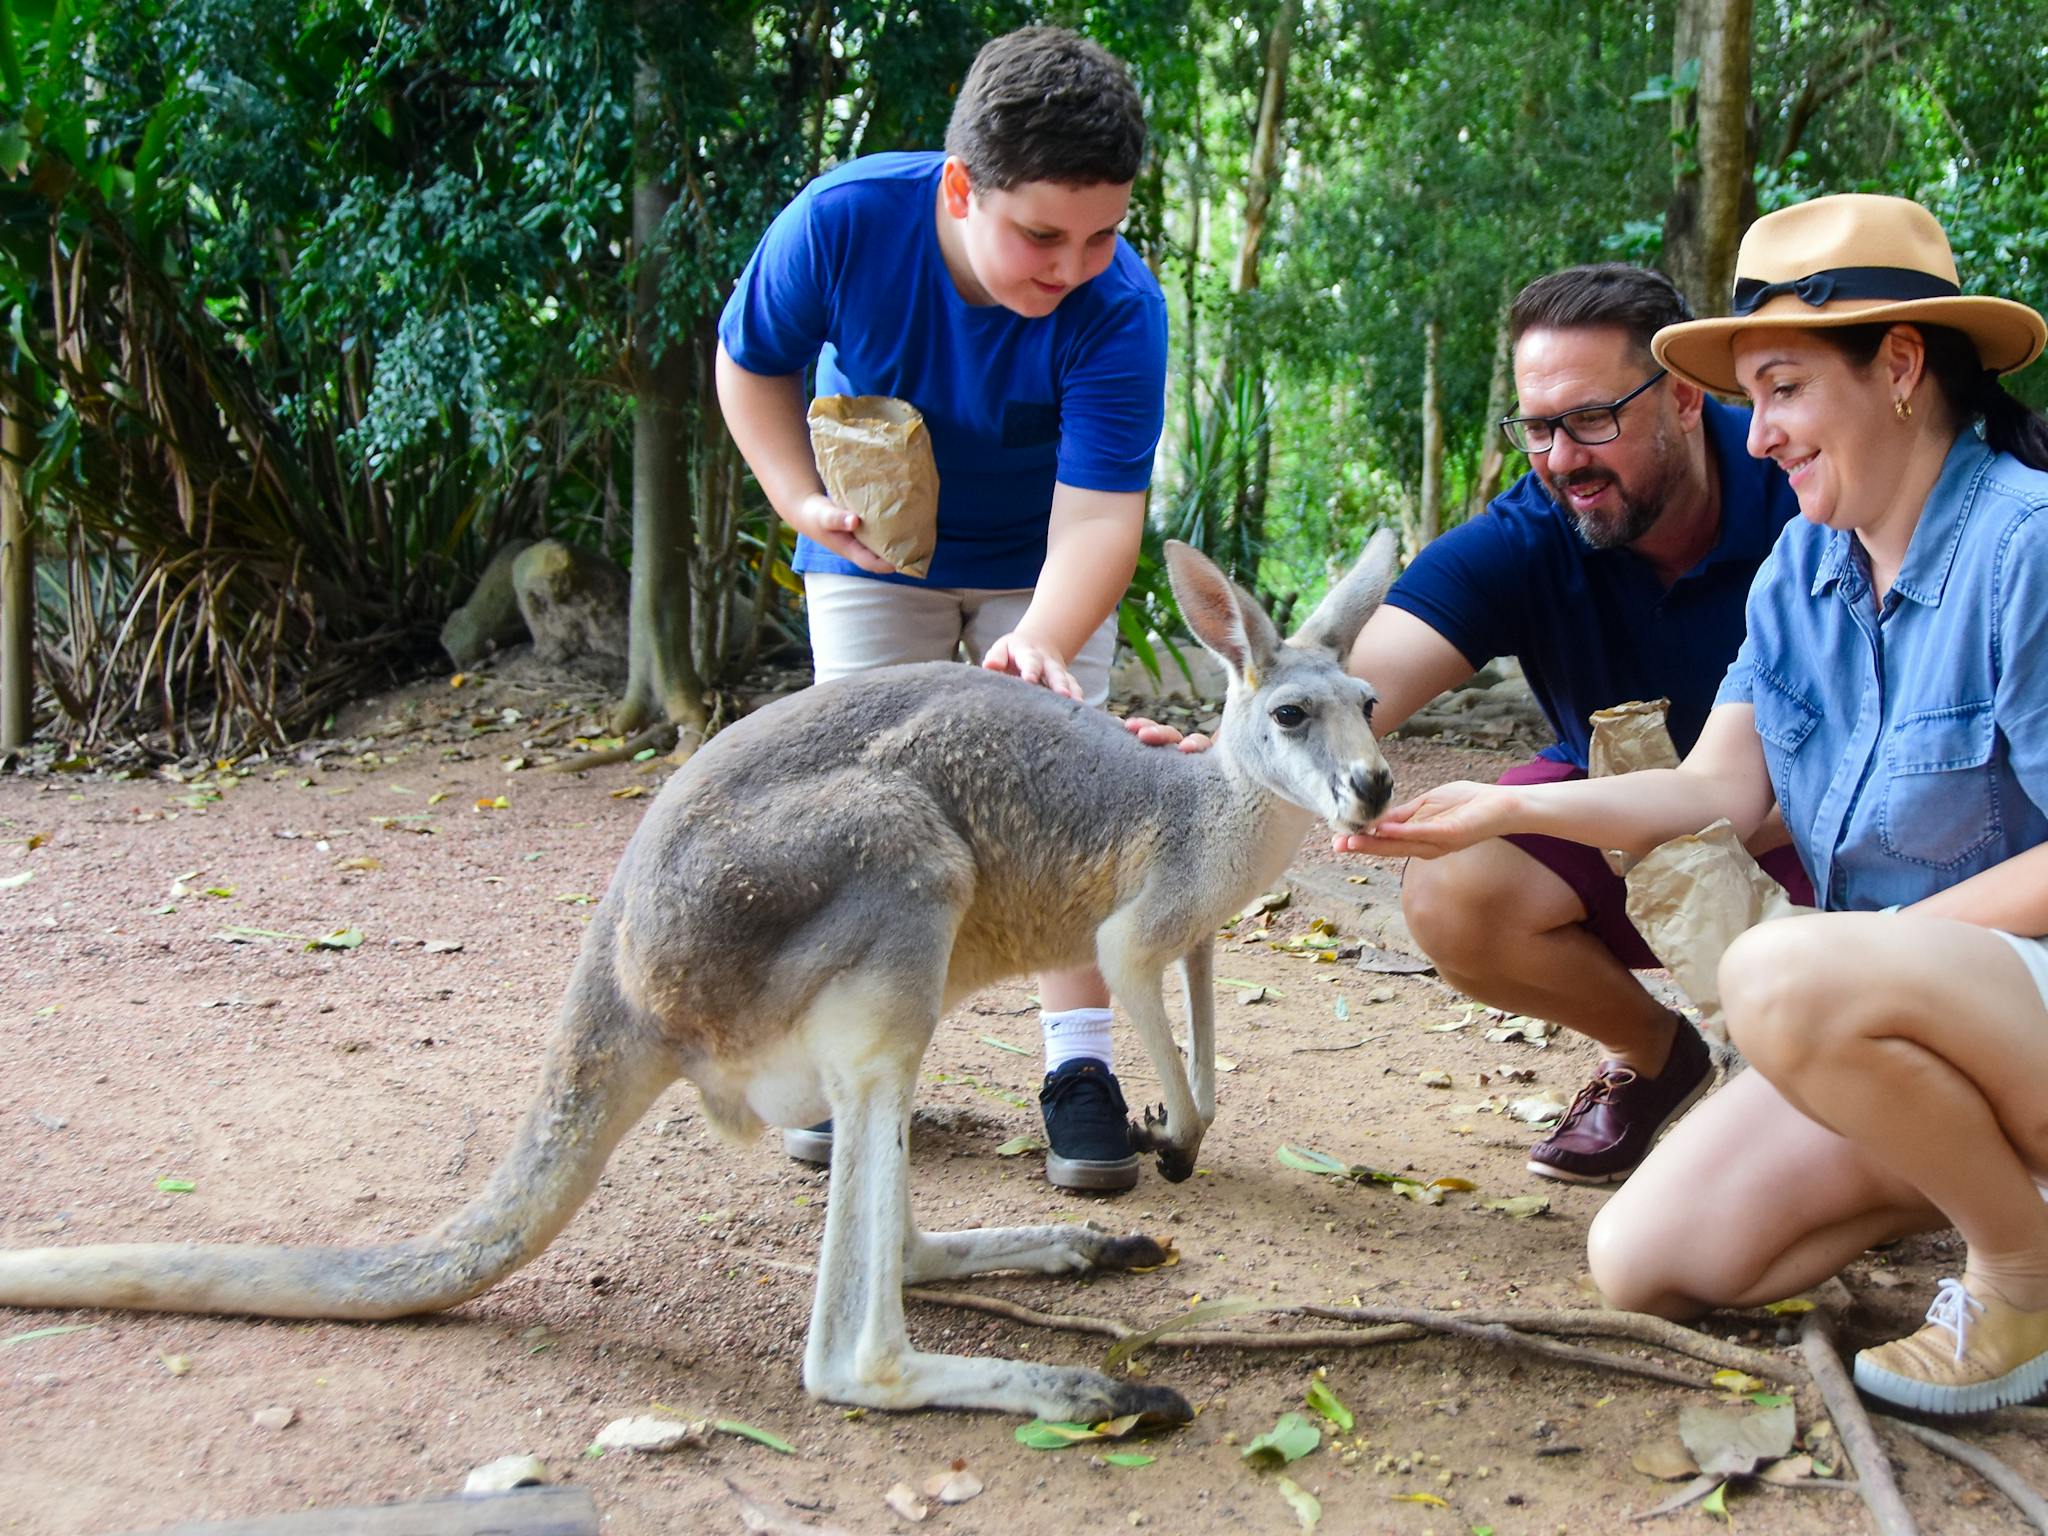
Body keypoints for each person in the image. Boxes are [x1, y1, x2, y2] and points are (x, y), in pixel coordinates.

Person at [1353, 192, 2048, 1415]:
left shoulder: (2024, 546)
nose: (1761, 433)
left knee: (1777, 976)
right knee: (1646, 1258)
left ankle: (2019, 1277)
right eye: (1753, 399)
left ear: (1896, 366)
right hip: (1896, 1021)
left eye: (1781, 389)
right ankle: (1997, 1182)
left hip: (2005, 1000)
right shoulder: (1806, 567)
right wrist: (1504, 813)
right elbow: (1719, 788)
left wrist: (1858, 959)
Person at [1138, 263, 1807, 1185]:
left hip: (1806, 819)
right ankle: (1654, 1057)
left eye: (1591, 419)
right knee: (1454, 888)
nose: (1562, 456)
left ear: (1684, 398)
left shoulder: (1800, 484)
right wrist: (1246, 746)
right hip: (1619, 819)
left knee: (1818, 1068)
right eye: (1537, 428)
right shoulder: (1536, 529)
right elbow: (1350, 683)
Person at [715, 26, 1169, 1191]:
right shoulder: (843, 221)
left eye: (1101, 233)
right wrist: (795, 497)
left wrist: (1042, 642)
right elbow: (749, 362)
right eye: (1040, 235)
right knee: (858, 807)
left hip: (1039, 564)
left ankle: (1079, 1070)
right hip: (875, 550)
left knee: (1073, 806)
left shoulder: (1118, 304)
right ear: (962, 188)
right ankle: (840, 1055)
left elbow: (1099, 522)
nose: (1071, 265)